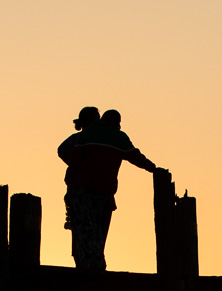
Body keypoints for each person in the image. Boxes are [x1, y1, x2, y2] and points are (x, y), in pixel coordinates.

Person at [57, 106, 156, 270]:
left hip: (81, 189)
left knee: (83, 229)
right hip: (103, 191)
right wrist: (154, 169)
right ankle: (96, 264)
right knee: (98, 229)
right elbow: (136, 156)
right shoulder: (119, 137)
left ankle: (86, 264)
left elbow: (65, 153)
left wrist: (79, 170)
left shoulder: (84, 135)